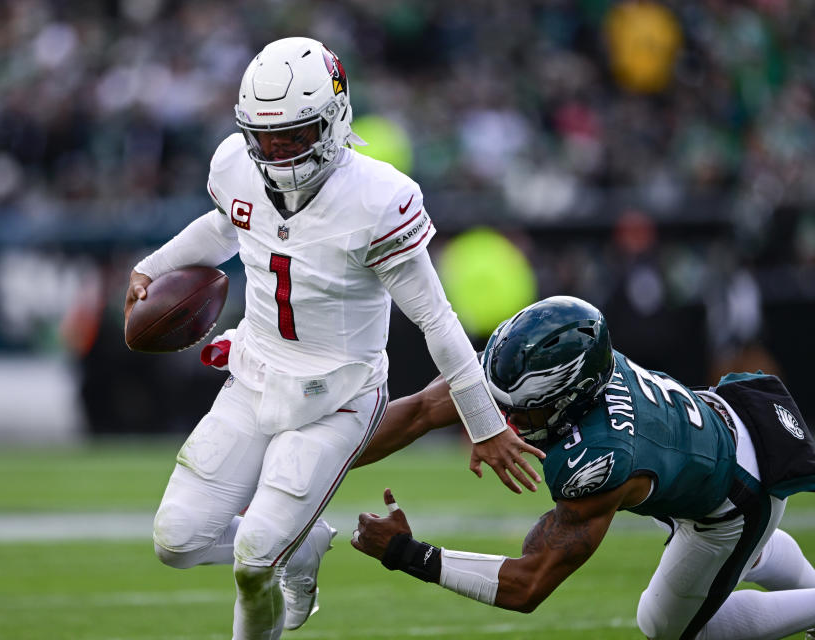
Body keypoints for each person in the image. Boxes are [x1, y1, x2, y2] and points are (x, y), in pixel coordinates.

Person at [123, 37, 542, 639]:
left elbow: (439, 322)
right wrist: (153, 266)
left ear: (334, 117)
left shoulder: (376, 199)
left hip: (338, 395)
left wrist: (484, 422)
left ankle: (282, 557)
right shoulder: (237, 167)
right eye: (264, 138)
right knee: (177, 540)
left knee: (253, 558)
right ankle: (306, 545)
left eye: (292, 136)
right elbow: (224, 224)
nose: (276, 153)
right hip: (255, 374)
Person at [352, 295, 815, 640]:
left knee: (665, 627)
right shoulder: (552, 365)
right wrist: (321, 466)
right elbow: (420, 411)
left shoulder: (600, 457)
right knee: (744, 556)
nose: (505, 420)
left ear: (569, 399)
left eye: (522, 412)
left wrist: (408, 553)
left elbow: (527, 585)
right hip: (713, 431)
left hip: (734, 494)